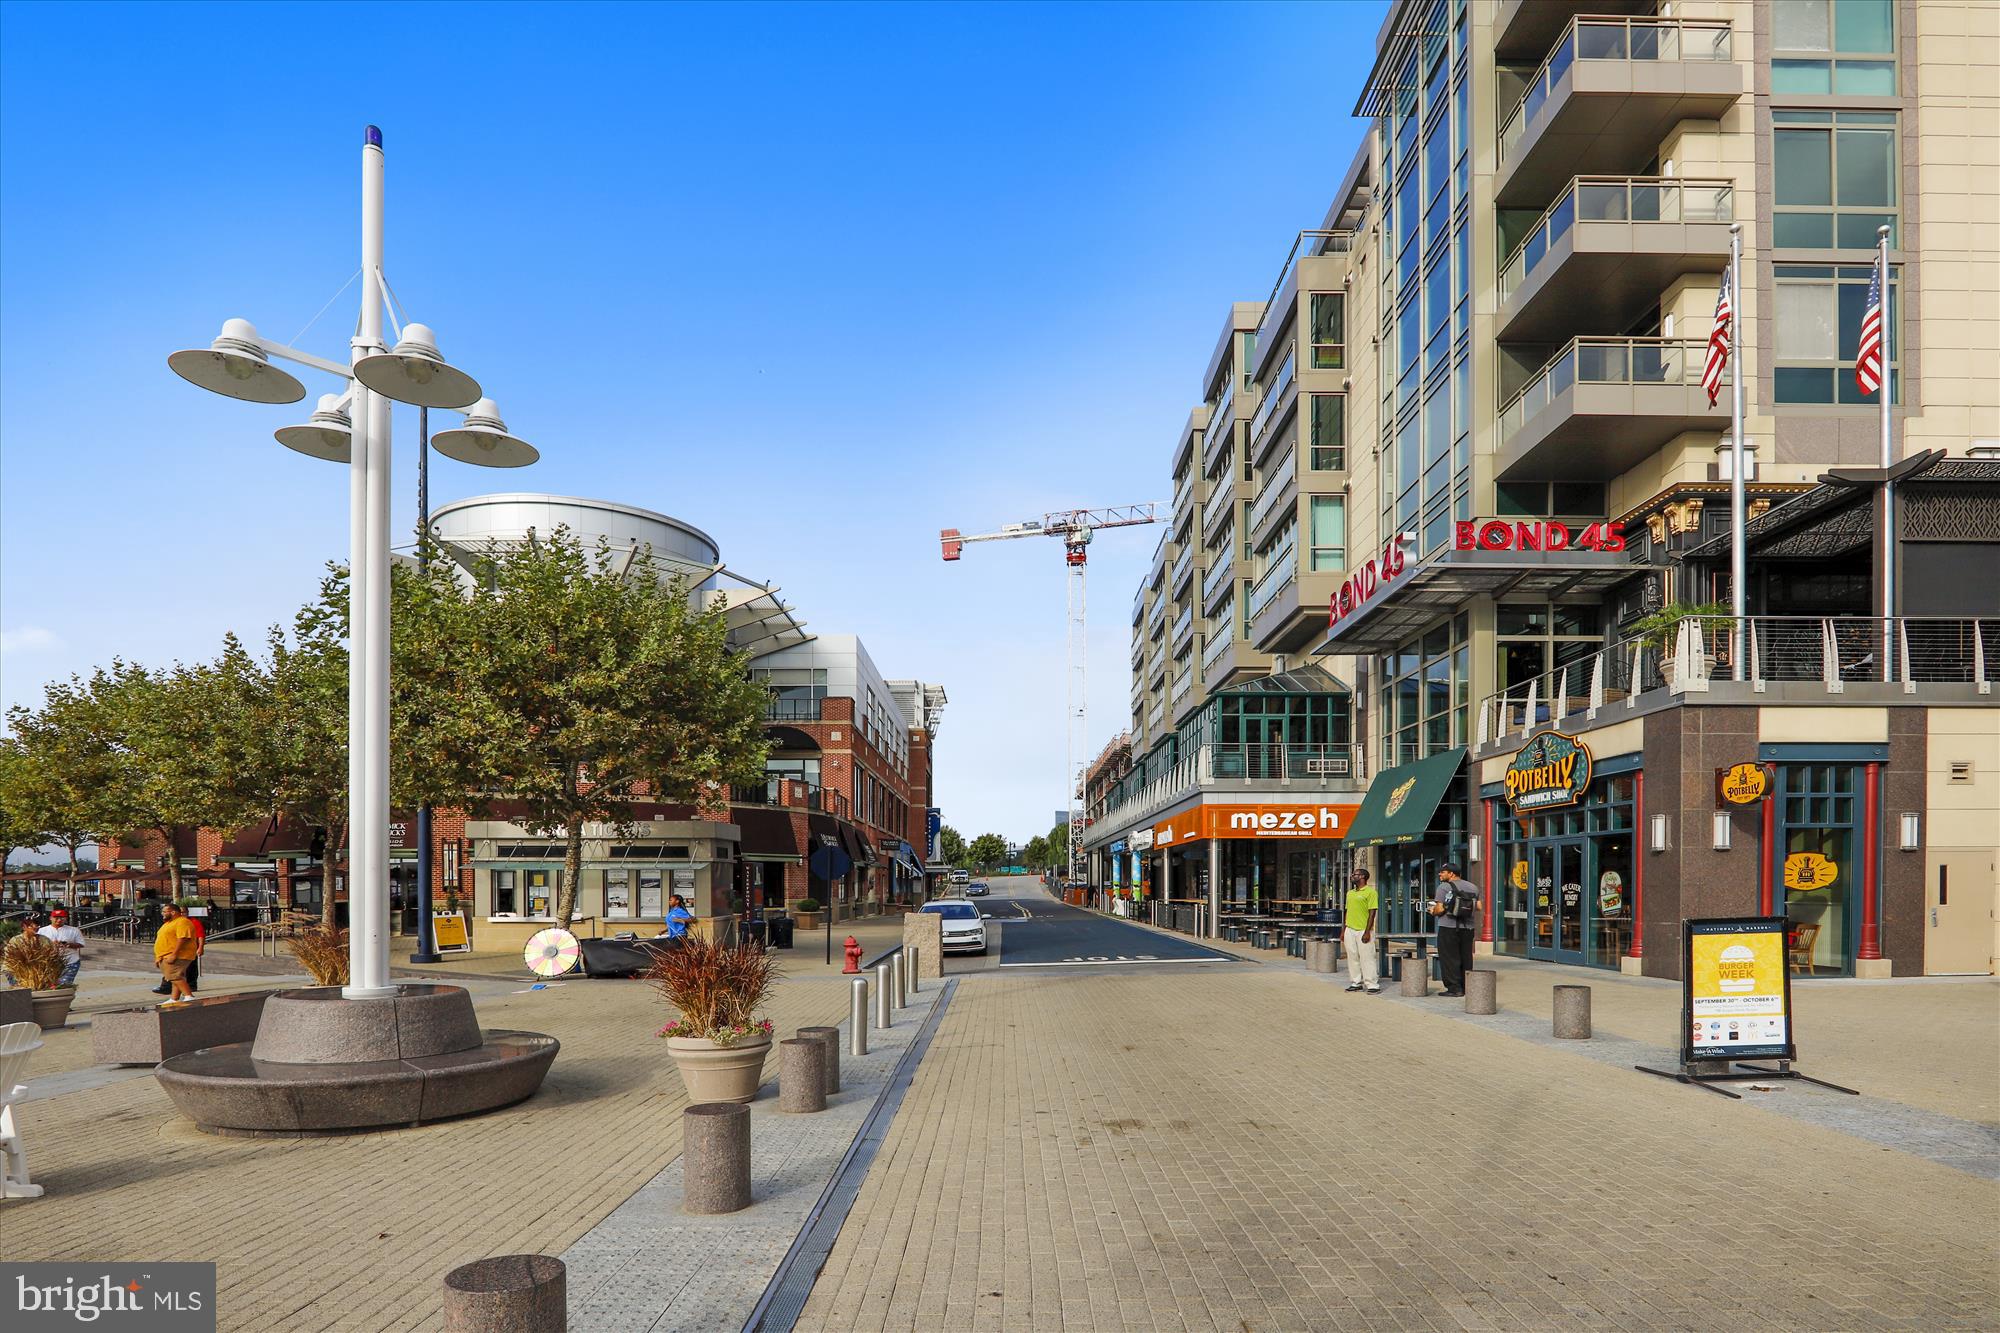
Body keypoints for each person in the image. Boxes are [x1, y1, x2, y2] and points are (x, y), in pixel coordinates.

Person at [1428, 864, 1478, 997]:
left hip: (1448, 927)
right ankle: (1467, 986)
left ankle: (1454, 988)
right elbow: (1478, 906)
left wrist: (1433, 911)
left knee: (1449, 958)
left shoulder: (1444, 887)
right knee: (1466, 957)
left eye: (1442, 872)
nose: (1439, 874)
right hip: (1468, 928)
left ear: (1451, 874)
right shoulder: (1473, 887)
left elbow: (1439, 909)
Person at [1341, 867, 1380, 994]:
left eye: (1355, 874)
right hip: (1350, 929)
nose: (1352, 876)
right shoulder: (1350, 893)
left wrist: (1367, 932)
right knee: (1352, 957)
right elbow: (1347, 912)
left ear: (1362, 877)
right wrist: (1344, 930)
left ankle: (1372, 984)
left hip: (1363, 930)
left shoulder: (1371, 892)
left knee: (1367, 957)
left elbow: (1372, 913)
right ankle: (1356, 982)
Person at [153, 902, 200, 1005]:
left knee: (173, 976)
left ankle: (188, 995)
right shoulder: (169, 923)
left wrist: (174, 954)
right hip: (165, 955)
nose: (162, 914)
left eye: (165, 911)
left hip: (176, 955)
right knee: (176, 977)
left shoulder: (182, 922)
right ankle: (174, 998)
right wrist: (158, 956)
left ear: (173, 912)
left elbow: (182, 938)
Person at [38, 908, 86, 988]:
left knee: (64, 984)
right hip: (49, 962)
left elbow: (81, 944)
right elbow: (37, 945)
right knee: (49, 984)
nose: (59, 920)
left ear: (66, 919)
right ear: (51, 918)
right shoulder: (42, 931)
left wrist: (68, 944)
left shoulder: (74, 930)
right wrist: (50, 945)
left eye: (62, 918)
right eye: (56, 918)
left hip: (70, 961)